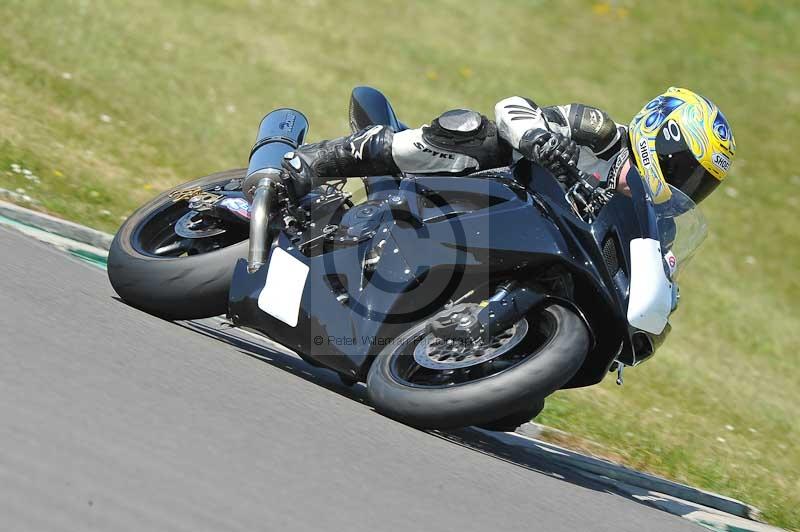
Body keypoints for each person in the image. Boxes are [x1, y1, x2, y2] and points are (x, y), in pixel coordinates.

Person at [281, 87, 736, 208]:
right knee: (471, 130)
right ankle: (315, 160)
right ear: (661, 136)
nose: (686, 187)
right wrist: (541, 139)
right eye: (685, 171)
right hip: (482, 187)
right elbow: (513, 107)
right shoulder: (601, 133)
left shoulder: (658, 226)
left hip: (518, 244)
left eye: (700, 184)